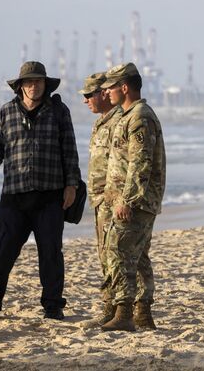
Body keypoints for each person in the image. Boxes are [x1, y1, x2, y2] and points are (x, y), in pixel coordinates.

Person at [0, 61, 81, 320]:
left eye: (39, 82)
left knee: (51, 254)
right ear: (20, 86)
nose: (34, 86)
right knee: (1, 253)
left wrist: (72, 185)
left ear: (45, 84)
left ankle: (53, 306)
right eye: (29, 82)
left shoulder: (58, 111)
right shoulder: (6, 113)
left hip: (50, 196)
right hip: (15, 198)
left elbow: (70, 150)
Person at [99, 63, 166, 331]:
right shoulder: (128, 115)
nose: (107, 93)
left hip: (135, 201)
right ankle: (142, 314)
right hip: (130, 199)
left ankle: (125, 312)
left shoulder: (140, 117)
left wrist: (127, 200)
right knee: (138, 257)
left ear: (124, 88)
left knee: (118, 249)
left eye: (111, 87)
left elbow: (141, 163)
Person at [79, 72, 124, 328]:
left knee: (114, 256)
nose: (86, 101)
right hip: (99, 201)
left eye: (89, 95)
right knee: (105, 256)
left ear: (104, 93)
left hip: (112, 200)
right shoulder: (101, 122)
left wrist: (116, 199)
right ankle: (113, 307)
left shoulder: (119, 120)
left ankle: (117, 309)